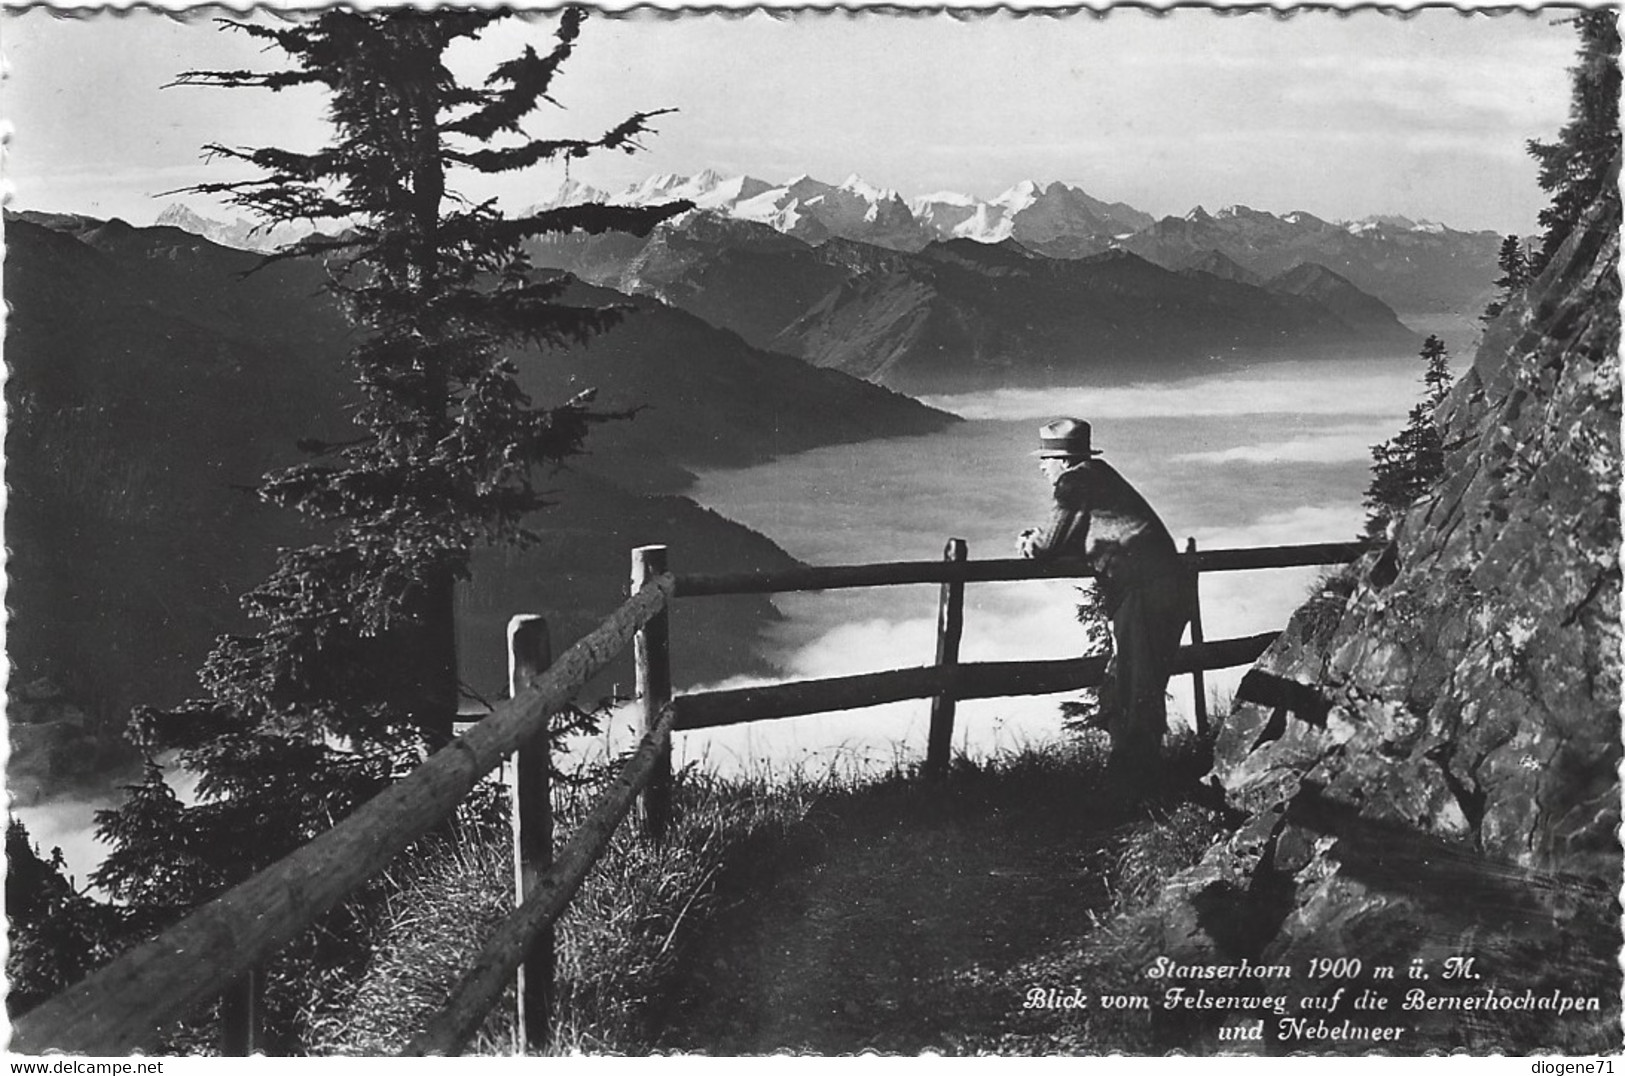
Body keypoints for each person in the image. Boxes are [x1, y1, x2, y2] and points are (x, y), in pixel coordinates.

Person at [1017, 418, 1191, 785]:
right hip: (1164, 585)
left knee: (1136, 681)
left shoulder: (1074, 481)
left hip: (1142, 588)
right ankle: (1136, 771)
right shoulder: (1099, 475)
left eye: (1046, 459)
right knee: (1139, 678)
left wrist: (1026, 543)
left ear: (1063, 461)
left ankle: (1138, 779)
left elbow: (1049, 543)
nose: (1041, 466)